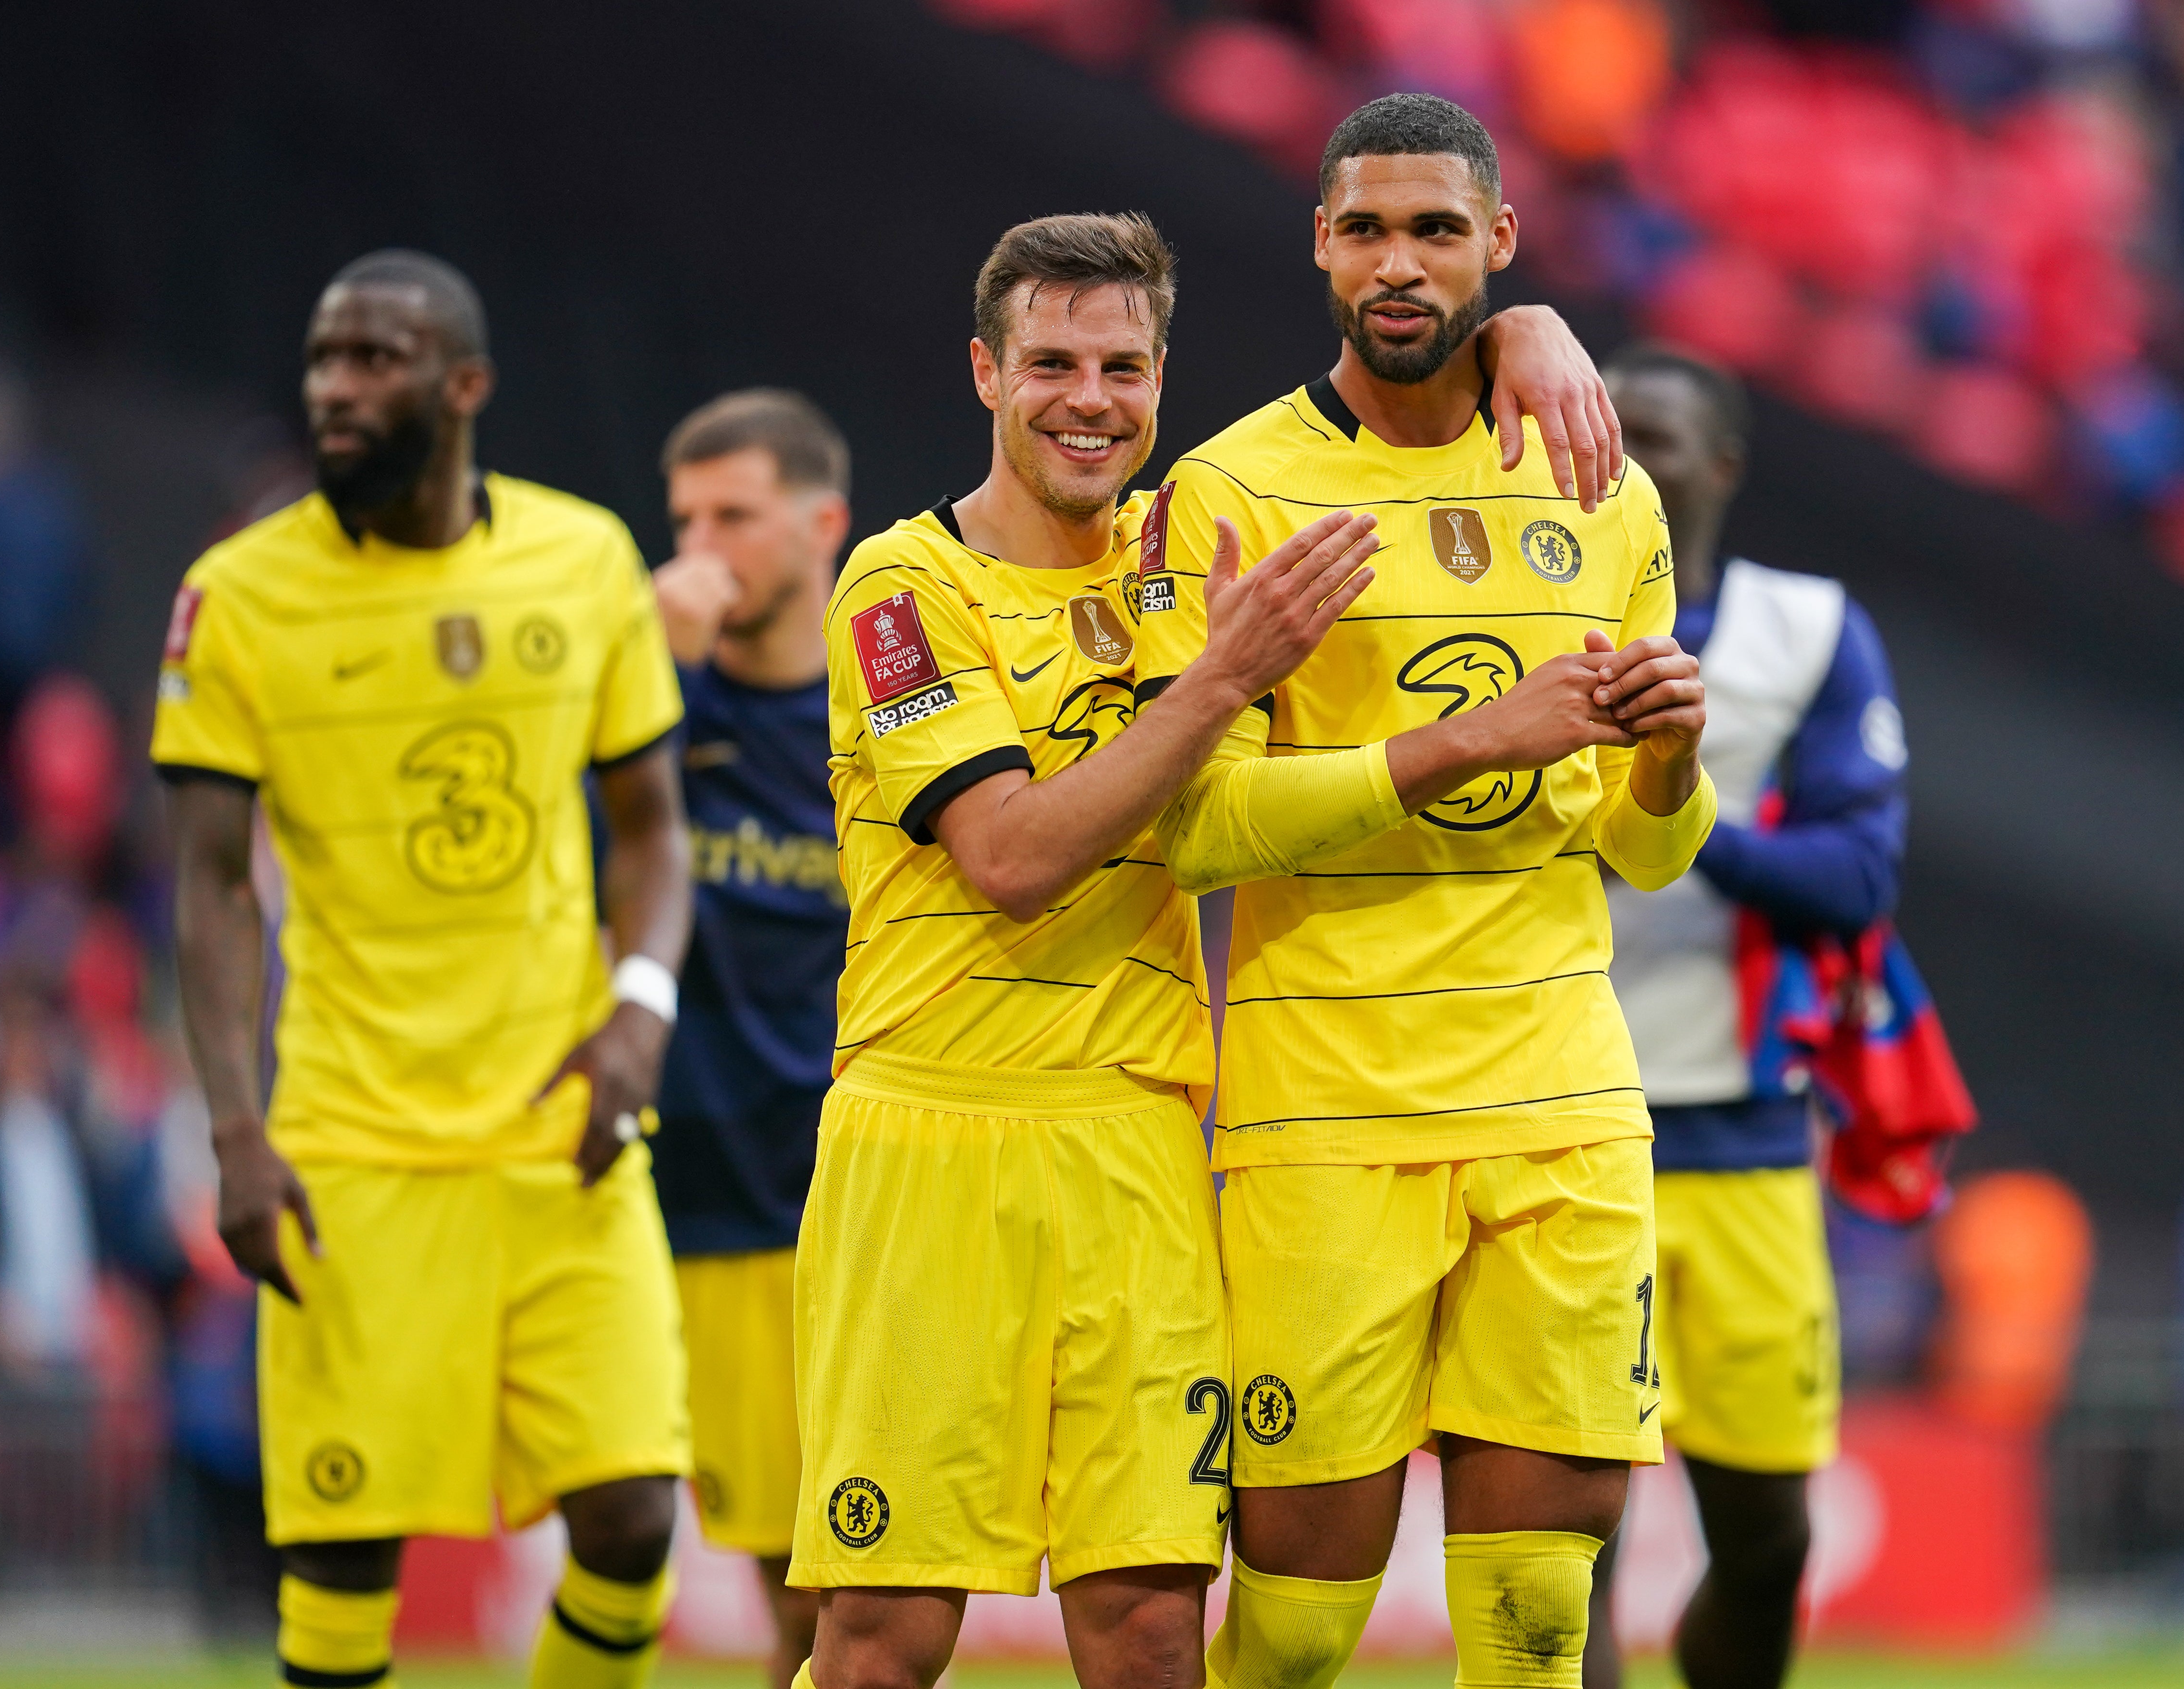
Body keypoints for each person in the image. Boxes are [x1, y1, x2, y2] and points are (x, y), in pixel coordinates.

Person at [795, 210, 1625, 1689]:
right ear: (984, 374)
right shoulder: (899, 587)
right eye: (1048, 363)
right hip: (932, 1140)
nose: (1087, 400)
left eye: (1121, 367)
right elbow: (1012, 859)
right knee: (882, 1642)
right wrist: (1225, 680)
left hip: (1143, 1149)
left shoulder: (1188, 555)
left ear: (1163, 381)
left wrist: (1521, 329)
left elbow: (1386, 376)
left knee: (1154, 1635)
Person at [1134, 92, 1716, 1689]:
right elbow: (1194, 829)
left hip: (1560, 1097)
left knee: (1536, 1625)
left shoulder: (1603, 488)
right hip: (1326, 1105)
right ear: (1319, 243)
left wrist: (1666, 759)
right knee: (1301, 1637)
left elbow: (1646, 845)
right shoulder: (1231, 493)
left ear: (1498, 249)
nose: (1400, 263)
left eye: (1436, 231)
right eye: (1368, 229)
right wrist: (1461, 741)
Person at [154, 249, 695, 1689]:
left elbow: (654, 834)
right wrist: (237, 1129)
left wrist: (639, 1013)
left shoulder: (582, 562)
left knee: (637, 1516)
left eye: (377, 359)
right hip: (354, 1147)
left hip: (560, 1131)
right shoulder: (236, 597)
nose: (337, 386)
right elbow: (207, 884)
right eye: (327, 358)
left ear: (465, 386)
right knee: (341, 1558)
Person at [1590, 342, 1911, 1689]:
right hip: (1561, 1117)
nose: (1621, 457)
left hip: (1741, 1134)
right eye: (1603, 429)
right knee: (1561, 1535)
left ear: (1719, 464)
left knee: (1769, 1535)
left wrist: (1670, 802)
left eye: (1653, 435)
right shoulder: (1513, 627)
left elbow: (1855, 879)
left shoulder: (1809, 630)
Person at [646, 389, 853, 1688]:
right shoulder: (653, 709)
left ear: (824, 522)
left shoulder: (897, 709)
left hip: (871, 1187)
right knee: (791, 1585)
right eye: (682, 521)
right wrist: (649, 676)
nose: (700, 550)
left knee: (868, 1585)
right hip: (717, 1198)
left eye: (735, 514)